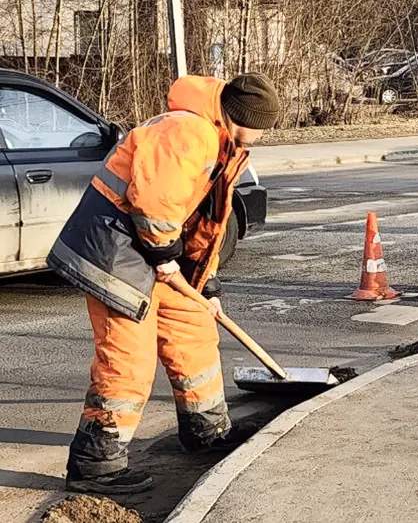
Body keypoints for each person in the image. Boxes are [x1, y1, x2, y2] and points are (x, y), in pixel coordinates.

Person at [47, 73, 280, 494]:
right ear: (245, 117)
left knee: (192, 326)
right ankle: (95, 466)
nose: (266, 133)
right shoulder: (188, 131)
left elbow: (204, 223)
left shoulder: (221, 140)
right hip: (114, 252)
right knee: (127, 360)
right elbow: (156, 202)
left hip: (147, 252)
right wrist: (164, 256)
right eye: (265, 124)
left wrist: (204, 283)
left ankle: (206, 428)